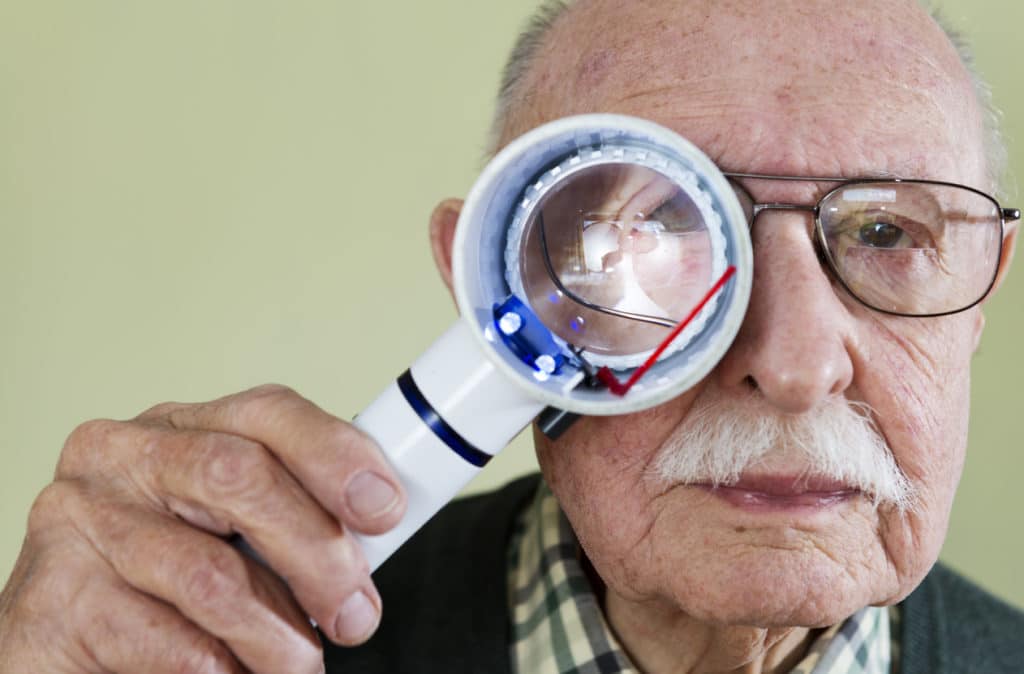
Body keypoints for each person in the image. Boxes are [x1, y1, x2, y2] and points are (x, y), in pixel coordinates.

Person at [1, 0, 1021, 672]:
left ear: (979, 298)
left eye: (889, 232)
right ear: (484, 273)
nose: (796, 365)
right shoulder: (229, 638)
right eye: (651, 227)